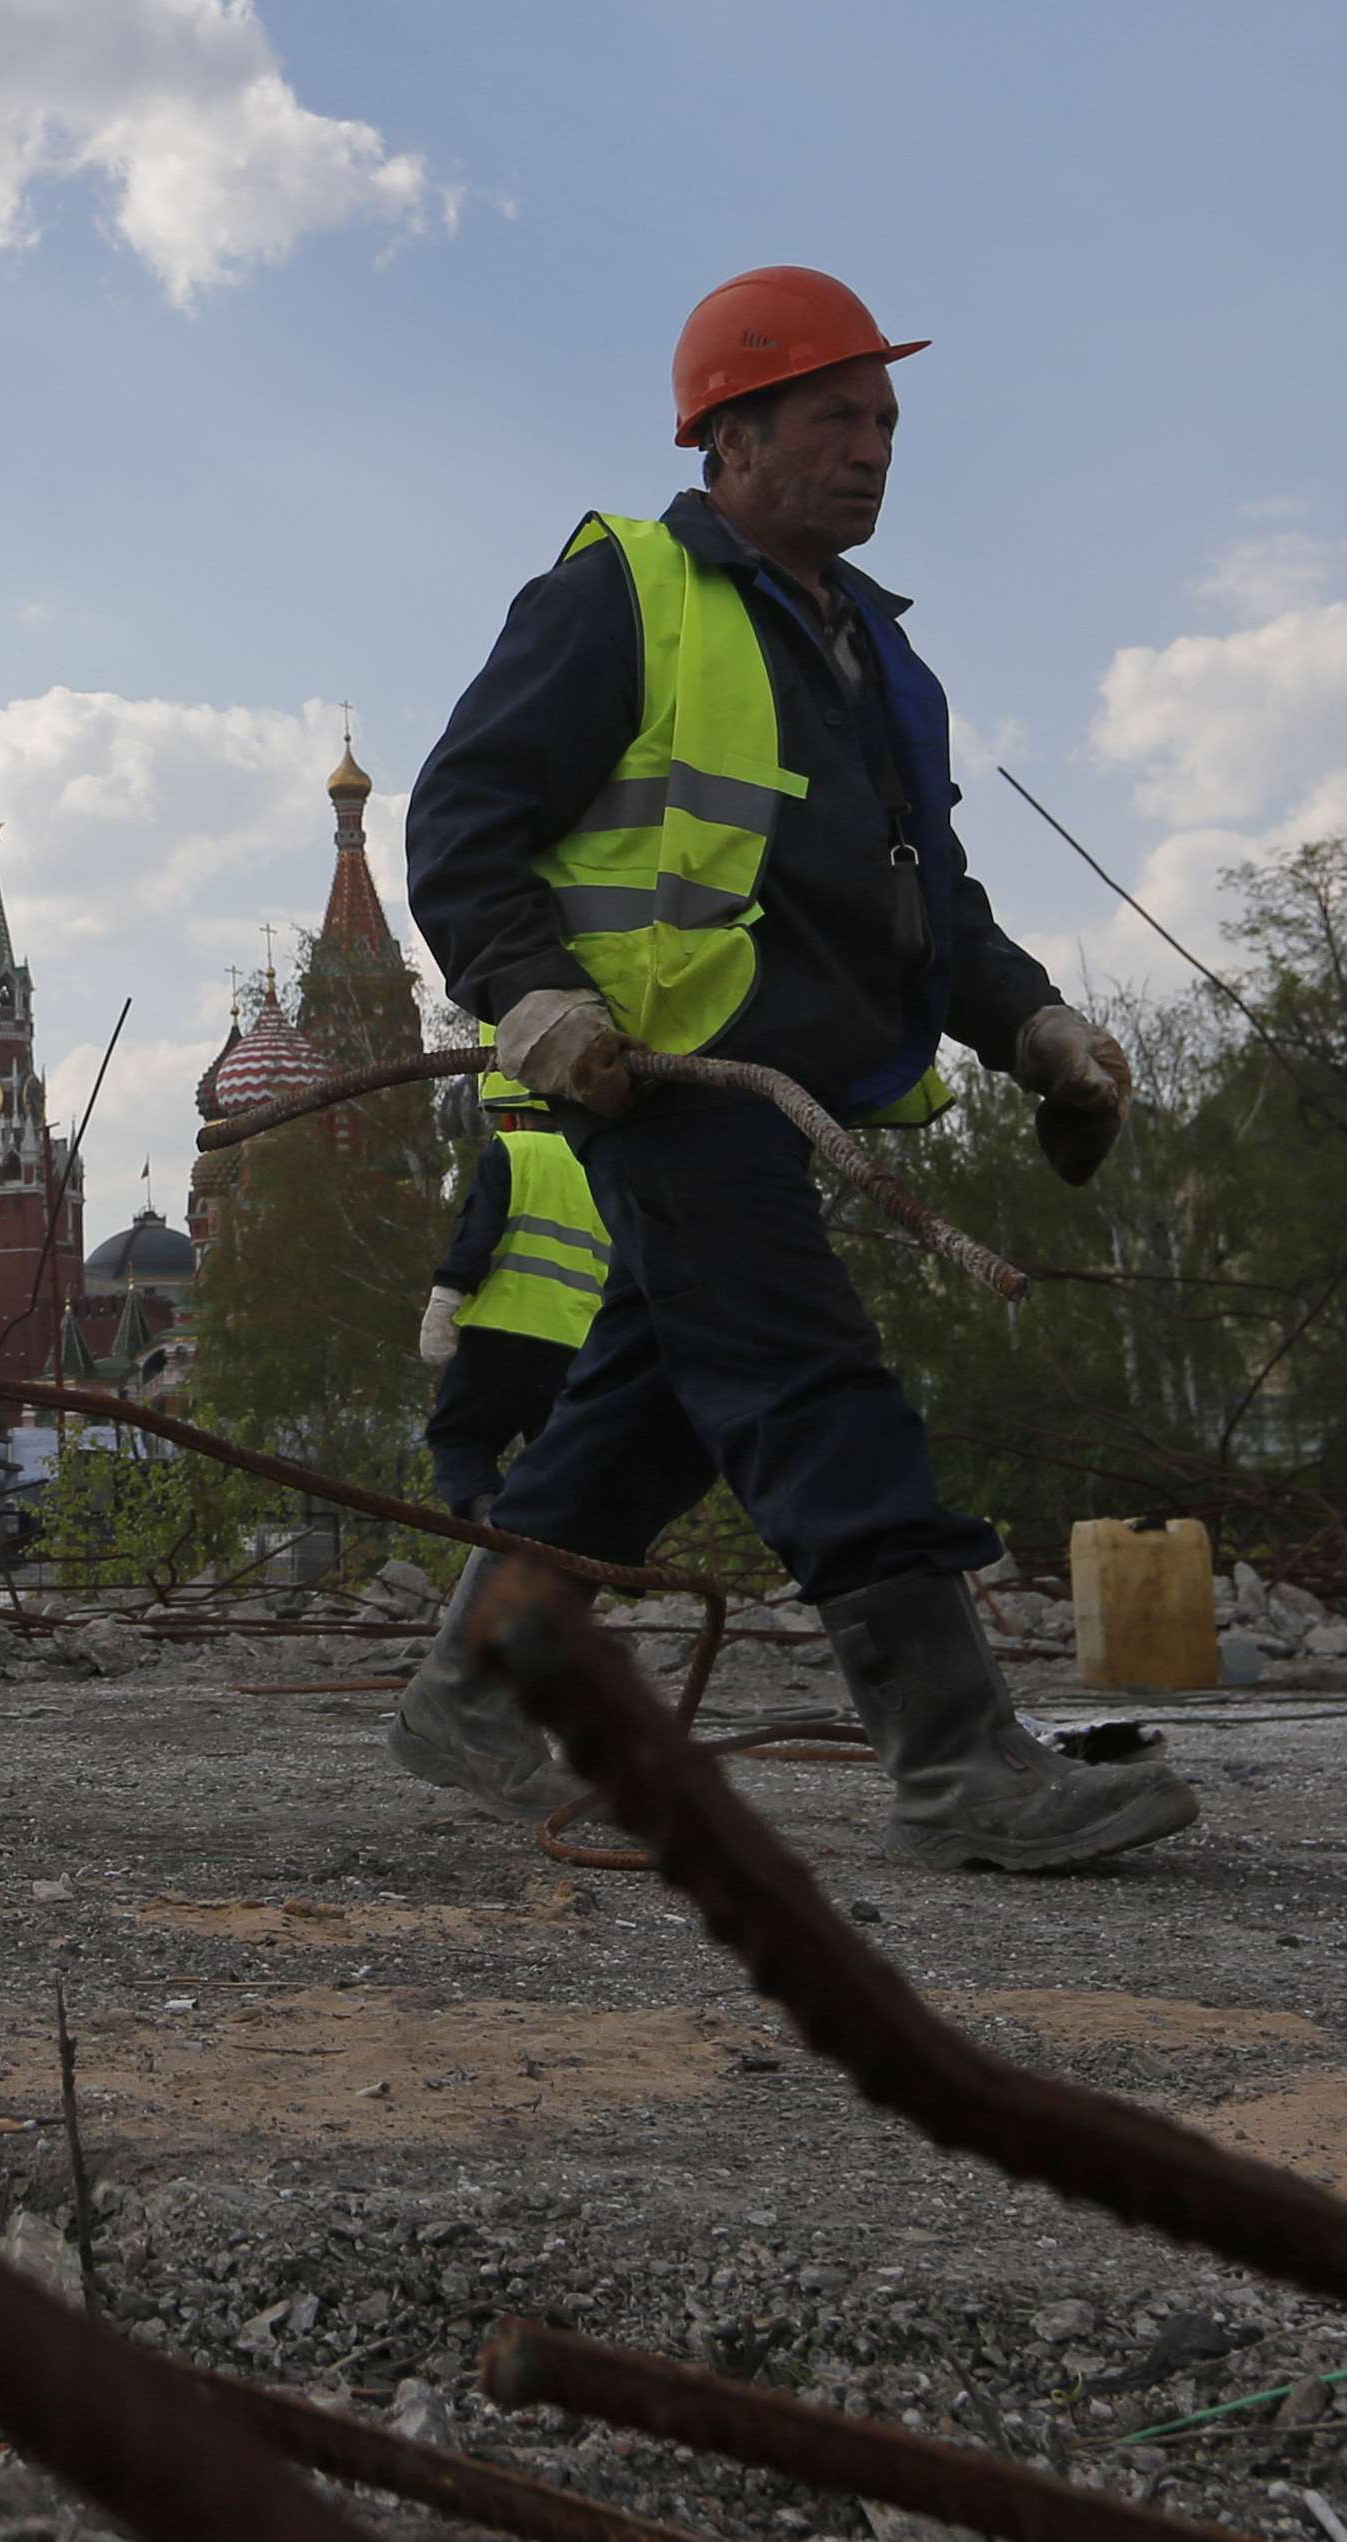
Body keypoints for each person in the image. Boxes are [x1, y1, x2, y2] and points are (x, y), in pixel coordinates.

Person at [384, 266, 1195, 1873]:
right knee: (815, 1385)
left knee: (661, 1408)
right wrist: (533, 1000)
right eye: (838, 416)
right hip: (668, 1085)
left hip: (785, 1099)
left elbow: (925, 908)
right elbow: (461, 829)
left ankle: (474, 1682)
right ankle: (958, 1759)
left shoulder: (884, 668)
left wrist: (1035, 1027)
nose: (875, 449)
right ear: (729, 437)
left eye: (887, 421)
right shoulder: (620, 597)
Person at [417, 1113, 604, 1520]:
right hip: (579, 1344)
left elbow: (477, 1238)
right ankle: (549, 1539)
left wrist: (446, 1298)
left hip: (501, 1332)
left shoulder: (515, 1151)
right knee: (555, 1455)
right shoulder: (605, 1162)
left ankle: (489, 1515)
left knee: (459, 1438)